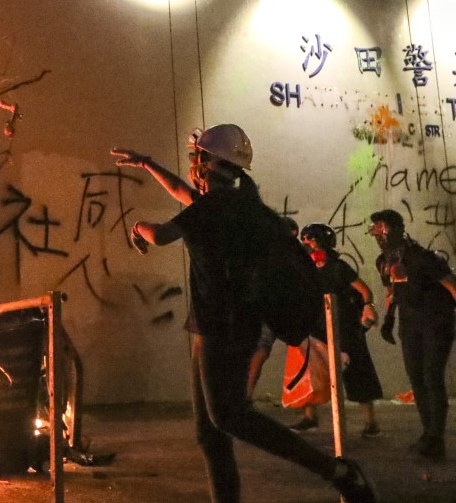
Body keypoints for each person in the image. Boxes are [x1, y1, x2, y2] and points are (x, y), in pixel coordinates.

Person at [111, 125, 375, 503]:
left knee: (228, 417)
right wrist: (149, 164)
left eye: (197, 157)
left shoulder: (216, 208)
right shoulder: (238, 205)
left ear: (211, 163)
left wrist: (136, 226)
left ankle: (338, 473)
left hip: (226, 328)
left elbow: (162, 234)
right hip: (218, 326)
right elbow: (183, 195)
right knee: (210, 433)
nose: (192, 164)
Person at [369, 209, 456, 461]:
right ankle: (428, 434)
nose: (378, 233)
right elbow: (392, 292)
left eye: (382, 227)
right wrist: (389, 319)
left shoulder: (421, 257)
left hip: (436, 323)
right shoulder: (383, 262)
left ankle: (436, 438)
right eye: (375, 228)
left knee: (432, 378)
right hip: (410, 326)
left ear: (396, 228)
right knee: (417, 379)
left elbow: (450, 286)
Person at [288, 223, 383, 438]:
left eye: (311, 240)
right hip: (317, 327)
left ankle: (371, 422)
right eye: (305, 240)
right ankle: (310, 418)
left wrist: (368, 307)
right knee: (311, 372)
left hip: (345, 327)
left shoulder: (339, 267)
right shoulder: (305, 268)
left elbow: (364, 290)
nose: (307, 245)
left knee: (358, 372)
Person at [245, 216, 298, 399]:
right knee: (258, 353)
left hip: (266, 309)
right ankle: (245, 397)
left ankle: (245, 397)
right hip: (265, 308)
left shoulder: (264, 251)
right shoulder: (278, 254)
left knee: (258, 353)